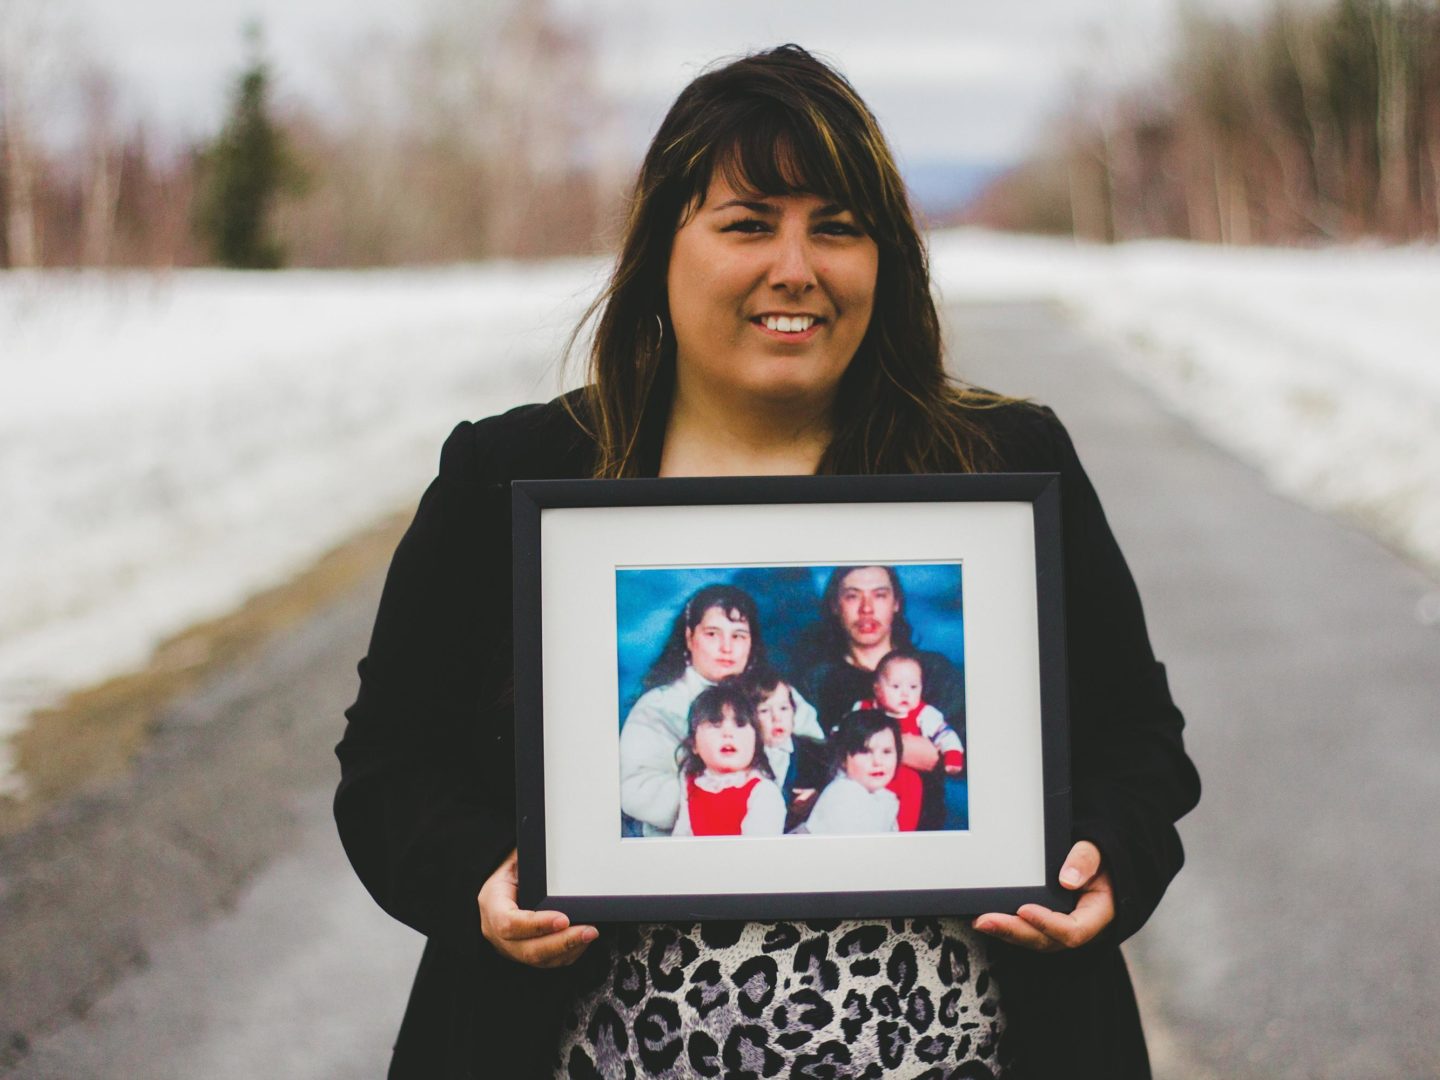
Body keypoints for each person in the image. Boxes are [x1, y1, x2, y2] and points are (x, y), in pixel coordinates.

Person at [334, 44, 1200, 1078]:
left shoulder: (1003, 469)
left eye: (837, 228)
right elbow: (389, 769)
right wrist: (476, 875)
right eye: (749, 224)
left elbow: (1139, 748)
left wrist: (1109, 855)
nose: (797, 268)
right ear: (662, 249)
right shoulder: (508, 478)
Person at [797, 564, 965, 830]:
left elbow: (976, 760)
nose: (866, 608)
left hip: (924, 837)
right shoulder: (817, 681)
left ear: (896, 603)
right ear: (835, 605)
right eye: (852, 596)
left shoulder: (934, 672)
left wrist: (939, 758)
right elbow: (808, 770)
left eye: (879, 595)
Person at [617, 583, 764, 835]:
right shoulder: (658, 706)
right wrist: (725, 799)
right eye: (712, 634)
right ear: (689, 637)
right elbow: (634, 790)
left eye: (738, 635)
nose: (726, 647)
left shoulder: (774, 698)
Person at [670, 683, 786, 837]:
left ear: (756, 741)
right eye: (716, 725)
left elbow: (758, 854)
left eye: (740, 725)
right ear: (694, 745)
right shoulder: (691, 781)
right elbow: (682, 833)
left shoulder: (763, 792)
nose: (728, 734)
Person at [742, 663, 829, 830]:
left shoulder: (814, 752)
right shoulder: (743, 757)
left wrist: (819, 797)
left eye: (783, 708)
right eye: (764, 711)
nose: (777, 718)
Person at [858, 647, 965, 774]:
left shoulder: (924, 714)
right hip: (870, 772)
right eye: (896, 686)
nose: (905, 693)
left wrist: (952, 754)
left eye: (913, 687)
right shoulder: (865, 708)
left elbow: (945, 734)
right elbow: (844, 730)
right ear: (877, 690)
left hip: (908, 775)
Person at [801, 709, 902, 835]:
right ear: (844, 758)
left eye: (886, 751)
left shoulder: (884, 798)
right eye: (865, 752)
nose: (878, 761)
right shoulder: (844, 794)